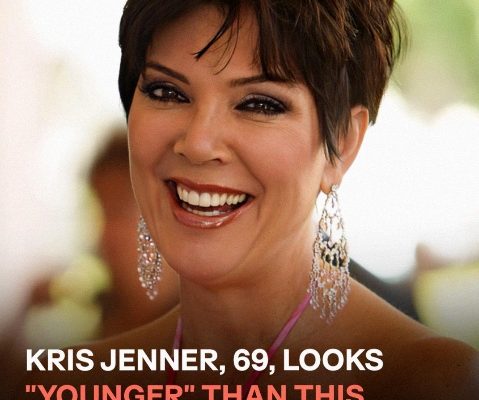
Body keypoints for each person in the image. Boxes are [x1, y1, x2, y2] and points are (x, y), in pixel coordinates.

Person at [23, 1, 478, 399]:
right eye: (167, 92)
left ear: (341, 143)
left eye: (259, 104)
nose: (198, 144)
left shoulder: (431, 383)